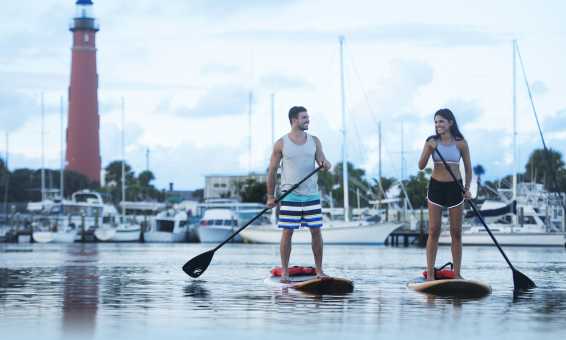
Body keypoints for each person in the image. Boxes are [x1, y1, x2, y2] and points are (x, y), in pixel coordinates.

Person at [266, 106, 332, 283]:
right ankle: (285, 273)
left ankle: (319, 270)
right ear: (294, 120)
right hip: (290, 195)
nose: (308, 120)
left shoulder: (314, 141)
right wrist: (270, 197)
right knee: (287, 232)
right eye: (304, 117)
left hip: (311, 195)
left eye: (308, 117)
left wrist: (326, 164)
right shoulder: (281, 143)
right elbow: (272, 171)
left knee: (316, 232)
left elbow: (322, 160)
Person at [418, 108, 472, 280]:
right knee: (434, 230)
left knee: (456, 233)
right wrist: (429, 148)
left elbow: (468, 169)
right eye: (435, 122)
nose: (438, 125)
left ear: (450, 122)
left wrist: (467, 187)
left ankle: (457, 274)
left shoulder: (461, 143)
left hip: (455, 188)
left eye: (441, 121)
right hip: (436, 188)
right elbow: (420, 165)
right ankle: (430, 275)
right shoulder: (431, 141)